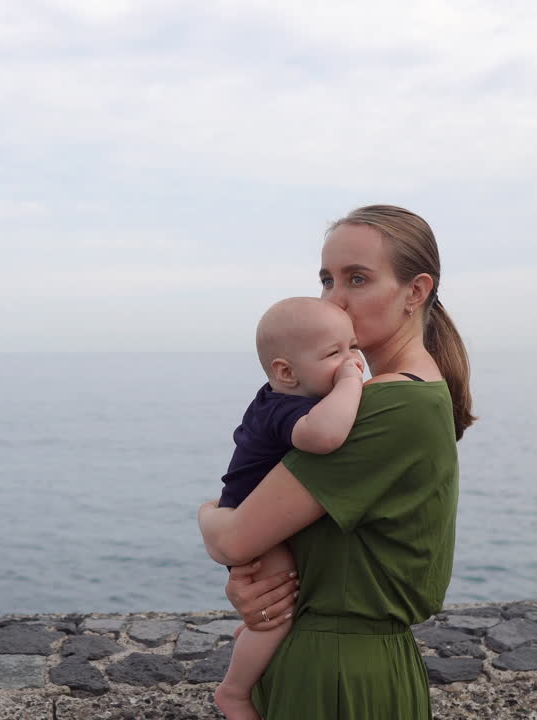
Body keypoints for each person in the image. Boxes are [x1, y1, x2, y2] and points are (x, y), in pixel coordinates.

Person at [198, 205, 475, 719]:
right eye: (327, 280)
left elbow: (234, 538)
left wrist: (205, 515)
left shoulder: (392, 406)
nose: (335, 300)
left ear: (415, 292)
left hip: (337, 672)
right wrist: (256, 583)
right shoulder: (368, 398)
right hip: (323, 659)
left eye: (358, 279)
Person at [212, 297, 366, 720]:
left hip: (245, 513)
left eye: (353, 347)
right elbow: (325, 437)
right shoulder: (285, 408)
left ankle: (253, 644)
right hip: (252, 526)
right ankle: (234, 692)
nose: (352, 360)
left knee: (274, 612)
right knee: (276, 614)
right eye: (334, 354)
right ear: (286, 372)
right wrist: (352, 384)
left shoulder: (276, 398)